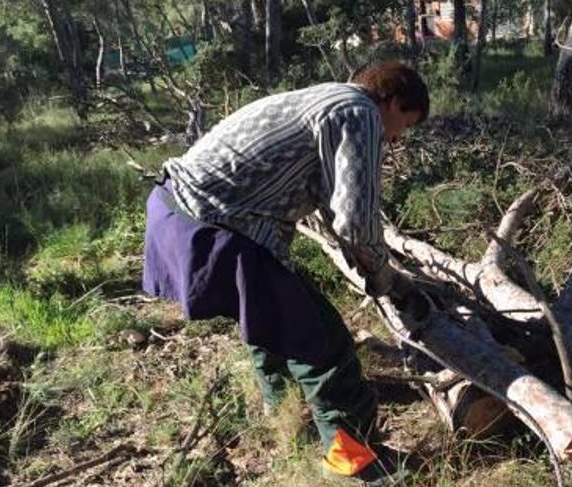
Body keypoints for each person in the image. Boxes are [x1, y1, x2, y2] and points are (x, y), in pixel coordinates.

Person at [142, 60, 431, 484]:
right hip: (216, 227)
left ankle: (287, 423)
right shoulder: (359, 111)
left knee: (272, 324)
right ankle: (354, 463)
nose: (397, 137)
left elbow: (322, 202)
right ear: (391, 100)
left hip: (174, 213)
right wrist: (385, 277)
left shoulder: (318, 97)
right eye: (405, 124)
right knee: (322, 343)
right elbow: (354, 220)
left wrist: (373, 264)